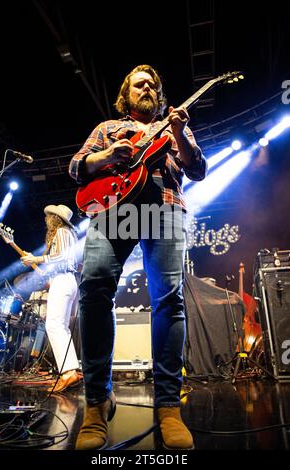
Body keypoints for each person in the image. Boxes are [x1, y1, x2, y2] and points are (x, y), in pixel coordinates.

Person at [69, 64, 207, 450]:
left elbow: (197, 169)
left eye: (153, 84)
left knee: (168, 299)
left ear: (159, 95)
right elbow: (76, 167)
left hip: (164, 207)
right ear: (125, 94)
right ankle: (97, 404)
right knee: (94, 288)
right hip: (113, 208)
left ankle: (167, 408)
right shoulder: (106, 128)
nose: (146, 87)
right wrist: (109, 154)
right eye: (138, 84)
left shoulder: (174, 125)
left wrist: (179, 134)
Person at [21, 204, 81, 392]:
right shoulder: (68, 233)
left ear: (56, 218)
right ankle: (70, 371)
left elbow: (60, 257)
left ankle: (68, 372)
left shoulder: (62, 231)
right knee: (60, 327)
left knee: (53, 325)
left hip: (63, 279)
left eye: (49, 216)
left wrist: (35, 259)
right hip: (65, 279)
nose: (46, 219)